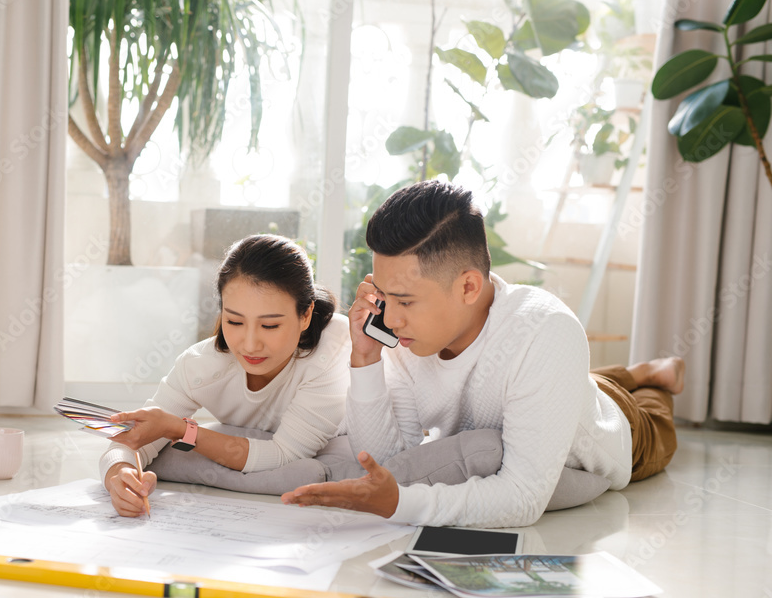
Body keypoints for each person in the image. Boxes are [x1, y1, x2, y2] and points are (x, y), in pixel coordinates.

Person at [282, 180, 684, 528]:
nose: (391, 317)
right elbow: (393, 462)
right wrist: (366, 360)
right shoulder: (406, 335)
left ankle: (654, 376)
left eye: (404, 301)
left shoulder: (547, 332)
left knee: (649, 410)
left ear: (469, 287)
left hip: (621, 424)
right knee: (576, 379)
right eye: (384, 297)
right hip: (545, 385)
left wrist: (403, 505)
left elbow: (524, 498)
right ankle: (635, 371)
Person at [102, 234, 351, 517]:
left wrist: (181, 430)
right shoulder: (200, 365)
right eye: (234, 321)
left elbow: (286, 455)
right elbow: (128, 444)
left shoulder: (333, 346)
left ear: (305, 315)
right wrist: (119, 478)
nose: (249, 344)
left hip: (344, 440)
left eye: (269, 326)